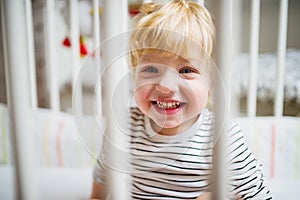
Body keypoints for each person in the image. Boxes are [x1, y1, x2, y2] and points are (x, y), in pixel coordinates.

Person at [91, 0, 272, 199]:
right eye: (151, 69)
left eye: (186, 70)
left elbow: (258, 195)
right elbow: (104, 175)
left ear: (212, 84)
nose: (165, 86)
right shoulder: (124, 126)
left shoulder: (223, 139)